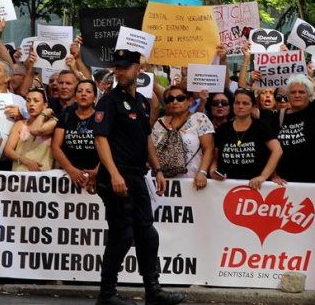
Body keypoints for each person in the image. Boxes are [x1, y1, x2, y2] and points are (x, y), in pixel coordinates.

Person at [93, 49, 184, 305]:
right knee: (122, 235)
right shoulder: (108, 101)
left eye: (126, 67)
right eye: (117, 67)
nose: (121, 72)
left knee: (147, 233)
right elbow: (100, 139)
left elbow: (146, 140)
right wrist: (113, 173)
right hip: (116, 176)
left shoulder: (142, 103)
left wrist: (157, 170)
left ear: (138, 69)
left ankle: (152, 290)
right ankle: (107, 294)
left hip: (137, 176)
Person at [274, 43, 315, 183]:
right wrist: (273, 174)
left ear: (309, 94)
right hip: (287, 184)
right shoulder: (279, 116)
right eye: (293, 92)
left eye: (301, 92)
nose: (297, 95)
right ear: (287, 96)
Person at [211, 88, 283, 190]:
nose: (240, 106)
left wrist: (263, 176)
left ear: (253, 107)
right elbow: (215, 157)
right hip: (225, 187)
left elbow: (277, 150)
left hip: (256, 187)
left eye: (245, 103)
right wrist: (213, 171)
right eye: (237, 103)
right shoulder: (223, 129)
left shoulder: (262, 126)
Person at [152, 84, 214, 190]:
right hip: (161, 180)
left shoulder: (199, 119)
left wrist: (202, 172)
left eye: (180, 98)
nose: (174, 102)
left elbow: (208, 149)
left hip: (192, 181)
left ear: (190, 101)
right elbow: (152, 150)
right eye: (170, 99)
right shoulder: (159, 123)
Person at [52, 80, 100, 190]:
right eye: (80, 91)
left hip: (95, 177)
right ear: (75, 96)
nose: (83, 94)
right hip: (67, 176)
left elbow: (109, 147)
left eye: (88, 91)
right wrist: (71, 170)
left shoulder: (101, 118)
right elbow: (55, 146)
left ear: (95, 97)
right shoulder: (66, 116)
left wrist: (98, 171)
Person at [3, 88, 57, 172]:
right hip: (20, 175)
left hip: (44, 176)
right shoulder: (19, 124)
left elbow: (36, 130)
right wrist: (27, 162)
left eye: (36, 101)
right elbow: (8, 151)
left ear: (45, 105)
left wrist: (44, 114)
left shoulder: (53, 123)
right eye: (28, 101)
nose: (31, 104)